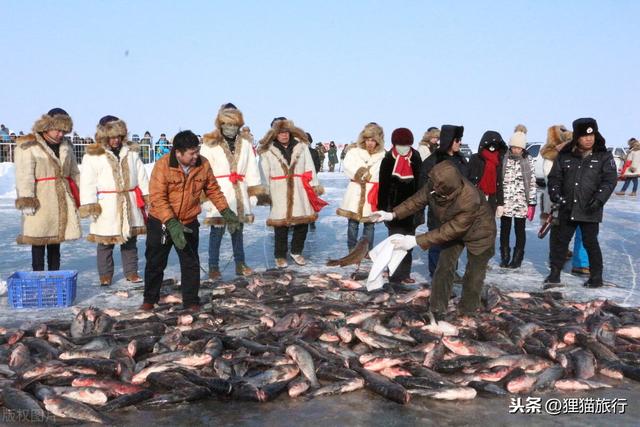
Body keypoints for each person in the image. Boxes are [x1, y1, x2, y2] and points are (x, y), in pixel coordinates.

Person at [373, 161, 496, 317]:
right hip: (452, 229)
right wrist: (392, 214)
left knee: (474, 274)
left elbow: (451, 230)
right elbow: (416, 201)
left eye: (437, 189)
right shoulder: (435, 185)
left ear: (447, 190)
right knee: (444, 267)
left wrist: (415, 241)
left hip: (480, 233)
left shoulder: (469, 198)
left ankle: (467, 311)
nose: (432, 190)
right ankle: (437, 309)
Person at [141, 130, 239, 311]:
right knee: (155, 263)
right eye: (191, 153)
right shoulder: (162, 166)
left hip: (188, 221)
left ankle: (191, 301)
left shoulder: (203, 164)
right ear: (178, 153)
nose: (196, 156)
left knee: (191, 263)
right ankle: (149, 299)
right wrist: (171, 223)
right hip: (162, 222)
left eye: (197, 151)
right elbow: (157, 198)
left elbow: (213, 190)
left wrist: (226, 211)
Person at [545, 118, 617, 288]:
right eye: (584, 136)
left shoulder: (603, 156)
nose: (589, 139)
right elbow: (554, 177)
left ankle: (596, 277)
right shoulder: (565, 156)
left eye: (591, 135)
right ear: (577, 137)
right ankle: (554, 274)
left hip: (590, 208)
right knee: (561, 242)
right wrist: (555, 193)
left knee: (591, 243)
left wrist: (599, 200)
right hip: (567, 207)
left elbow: (609, 180)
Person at [79, 115, 149, 286]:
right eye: (112, 136)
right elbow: (87, 182)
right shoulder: (93, 155)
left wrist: (148, 196)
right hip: (107, 203)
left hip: (129, 200)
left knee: (129, 240)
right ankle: (105, 275)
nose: (116, 140)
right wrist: (90, 205)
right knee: (105, 242)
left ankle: (131, 272)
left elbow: (142, 176)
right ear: (104, 136)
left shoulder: (131, 152)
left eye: (119, 136)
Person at [200, 103, 264, 279]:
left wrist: (253, 194)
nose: (230, 128)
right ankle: (213, 265)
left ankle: (240, 263)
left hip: (240, 193)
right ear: (220, 124)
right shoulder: (209, 143)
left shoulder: (245, 143)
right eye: (227, 124)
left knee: (238, 231)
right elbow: (203, 171)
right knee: (217, 232)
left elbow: (252, 169)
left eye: (234, 124)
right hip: (218, 193)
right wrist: (205, 197)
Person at [14, 108, 81, 271]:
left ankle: (54, 277)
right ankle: (38, 276)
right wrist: (27, 199)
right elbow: (24, 175)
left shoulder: (66, 146)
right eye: (58, 130)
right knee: (39, 240)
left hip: (60, 201)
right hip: (40, 199)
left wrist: (81, 195)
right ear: (47, 127)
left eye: (64, 131)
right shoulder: (29, 145)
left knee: (55, 242)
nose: (60, 134)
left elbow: (74, 173)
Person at [258, 117, 326, 268]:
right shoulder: (268, 150)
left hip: (299, 188)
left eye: (287, 132)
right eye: (281, 133)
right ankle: (280, 255)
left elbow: (310, 168)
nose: (284, 135)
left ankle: (296, 251)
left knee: (303, 222)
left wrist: (314, 186)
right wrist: (264, 192)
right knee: (280, 225)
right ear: (275, 134)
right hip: (278, 189)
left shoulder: (301, 147)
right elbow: (263, 172)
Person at [420, 125, 468, 278]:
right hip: (438, 210)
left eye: (460, 140)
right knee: (436, 242)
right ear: (449, 141)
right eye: (457, 140)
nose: (459, 143)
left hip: (457, 210)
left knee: (454, 243)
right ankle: (435, 273)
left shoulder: (461, 160)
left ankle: (451, 271)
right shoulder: (433, 160)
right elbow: (423, 185)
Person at [378, 128, 422, 283]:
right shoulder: (388, 159)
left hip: (412, 210)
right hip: (393, 210)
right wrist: (383, 209)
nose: (404, 147)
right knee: (395, 243)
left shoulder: (415, 157)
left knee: (408, 244)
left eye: (407, 144)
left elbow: (421, 185)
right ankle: (394, 275)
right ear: (394, 144)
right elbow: (383, 186)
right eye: (400, 144)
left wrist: (420, 209)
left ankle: (405, 274)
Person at [337, 122, 385, 251]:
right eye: (367, 140)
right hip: (355, 191)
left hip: (372, 192)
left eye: (373, 140)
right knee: (353, 223)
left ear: (378, 141)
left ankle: (367, 249)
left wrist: (371, 177)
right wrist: (362, 175)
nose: (370, 143)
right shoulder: (354, 152)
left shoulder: (383, 155)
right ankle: (352, 249)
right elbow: (348, 167)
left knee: (370, 224)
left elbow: (383, 174)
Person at [495, 126, 536, 268]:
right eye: (513, 147)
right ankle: (505, 256)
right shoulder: (504, 158)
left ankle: (517, 258)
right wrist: (498, 200)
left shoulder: (528, 160)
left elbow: (531, 182)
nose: (516, 150)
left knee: (520, 230)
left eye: (519, 148)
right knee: (504, 229)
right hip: (506, 201)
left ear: (523, 148)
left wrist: (532, 202)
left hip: (521, 202)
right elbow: (498, 180)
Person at [468, 130, 508, 212]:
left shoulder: (499, 160)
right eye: (490, 145)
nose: (492, 148)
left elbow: (499, 182)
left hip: (492, 198)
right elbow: (468, 180)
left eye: (495, 145)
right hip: (476, 197)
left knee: (489, 222)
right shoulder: (475, 158)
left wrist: (500, 203)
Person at [306, 132, 321, 231]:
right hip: (299, 180)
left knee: (311, 201)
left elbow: (317, 165)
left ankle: (312, 221)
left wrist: (311, 175)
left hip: (311, 180)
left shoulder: (313, 152)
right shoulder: (296, 151)